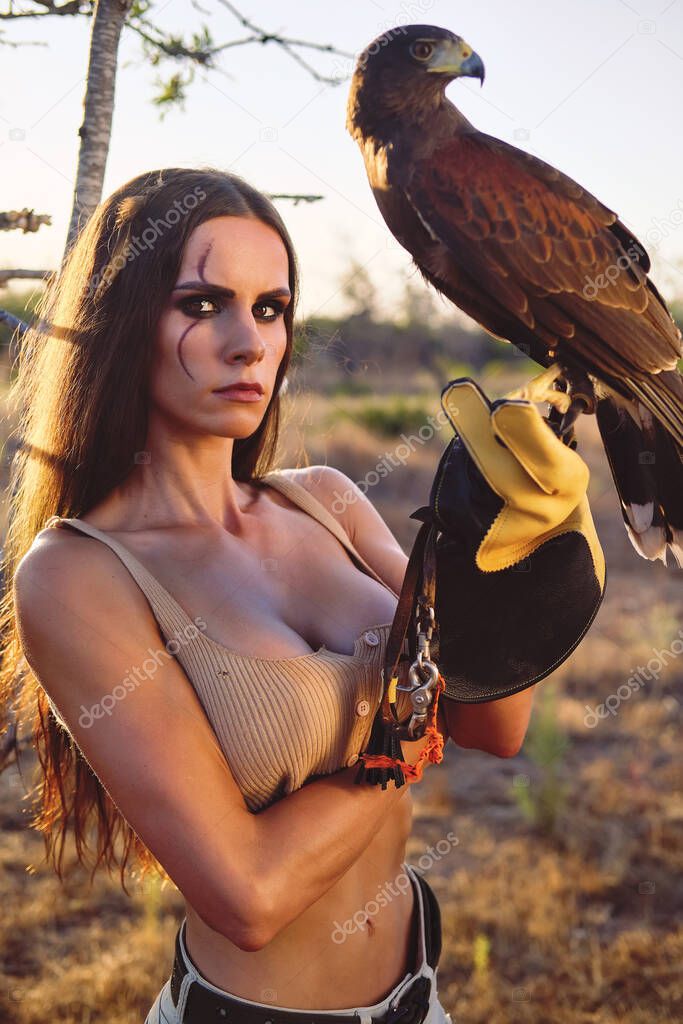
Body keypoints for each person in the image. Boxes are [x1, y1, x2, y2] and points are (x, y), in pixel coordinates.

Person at [3, 167, 535, 1023]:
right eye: (202, 305)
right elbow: (248, 896)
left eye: (270, 308)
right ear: (120, 321)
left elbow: (493, 722)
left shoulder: (324, 501)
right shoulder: (76, 577)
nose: (248, 344)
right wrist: (401, 742)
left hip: (419, 998)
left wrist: (520, 558)